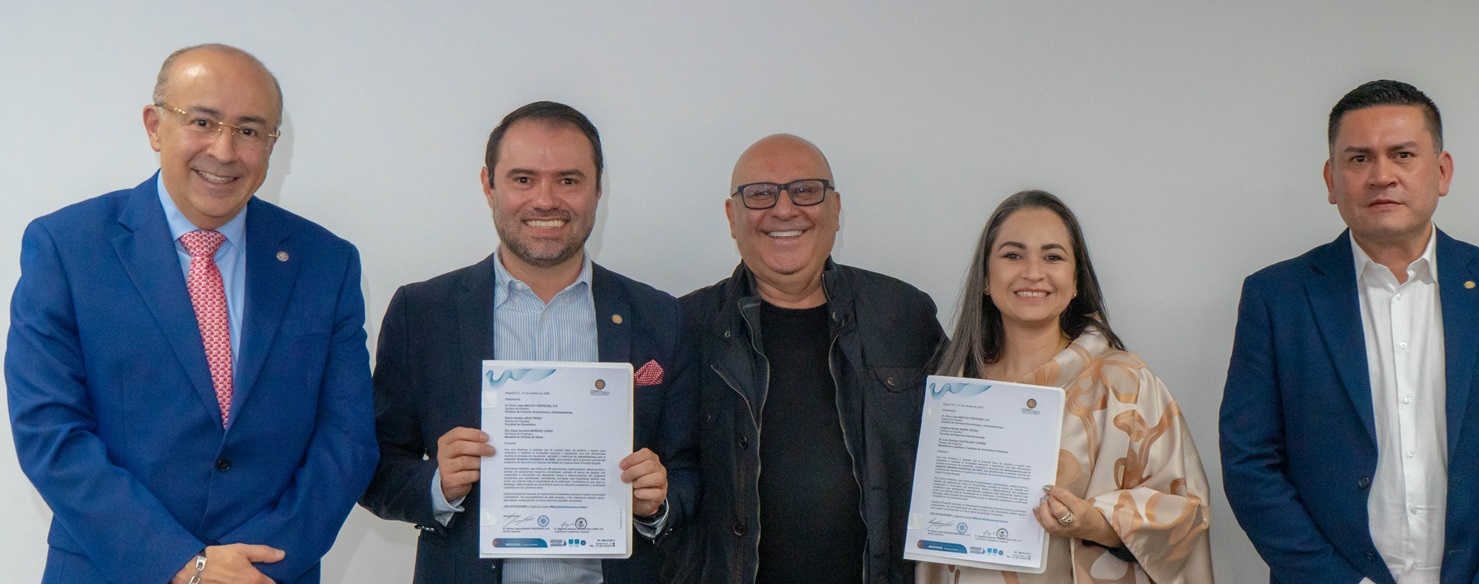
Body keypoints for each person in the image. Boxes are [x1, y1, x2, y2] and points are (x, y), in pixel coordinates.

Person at [5, 44, 377, 584]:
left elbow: (347, 439)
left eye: (249, 130)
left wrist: (254, 566)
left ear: (272, 145)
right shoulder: (67, 247)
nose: (224, 150)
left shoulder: (326, 262)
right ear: (155, 126)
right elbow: (49, 431)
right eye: (202, 122)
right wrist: (182, 562)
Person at [1220, 80, 1479, 583]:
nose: (1381, 176)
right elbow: (1250, 461)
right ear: (1331, 180)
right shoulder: (1277, 298)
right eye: (1359, 159)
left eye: (1403, 155)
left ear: (1442, 171)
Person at [360, 101, 698, 584]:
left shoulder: (661, 317)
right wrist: (437, 484)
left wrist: (658, 503)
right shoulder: (423, 313)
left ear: (598, 189)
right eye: (523, 179)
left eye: (568, 180)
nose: (545, 200)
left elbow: (690, 469)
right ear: (488, 185)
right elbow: (373, 465)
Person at [676, 134, 945, 584]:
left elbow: (966, 443)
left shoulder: (903, 315)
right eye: (760, 193)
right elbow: (663, 485)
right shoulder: (684, 328)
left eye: (805, 190)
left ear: (835, 209)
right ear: (731, 216)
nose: (784, 209)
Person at [916, 190, 1212, 583]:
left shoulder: (1125, 384)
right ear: (985, 279)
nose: (1033, 272)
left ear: (1075, 282)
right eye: (1012, 255)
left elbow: (1185, 513)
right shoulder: (954, 390)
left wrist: (1096, 522)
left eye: (1052, 257)